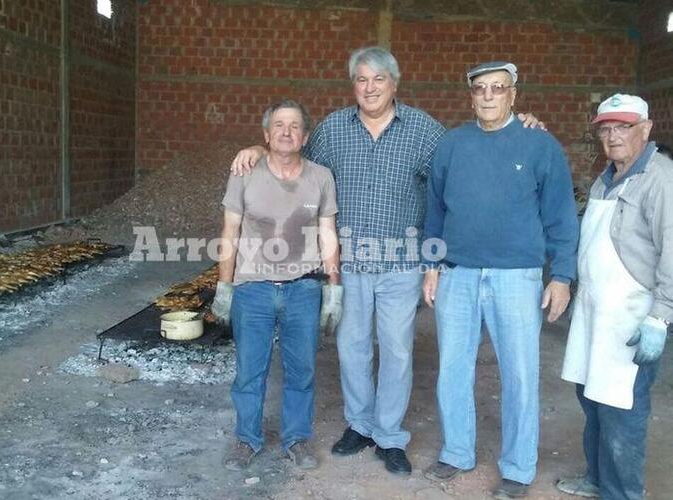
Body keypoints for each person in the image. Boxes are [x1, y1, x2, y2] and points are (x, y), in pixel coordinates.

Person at [231, 47, 543, 476]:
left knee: (397, 351)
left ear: (394, 84)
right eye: (362, 79)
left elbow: (461, 166)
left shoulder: (425, 131)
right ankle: (359, 425)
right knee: (352, 348)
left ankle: (389, 435)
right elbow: (294, 158)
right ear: (353, 85)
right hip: (350, 263)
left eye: (379, 79)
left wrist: (522, 127)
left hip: (401, 264)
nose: (370, 87)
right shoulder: (332, 130)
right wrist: (255, 145)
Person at [422, 61, 579, 499]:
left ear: (514, 94)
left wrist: (562, 276)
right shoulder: (452, 145)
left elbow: (562, 217)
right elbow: (434, 210)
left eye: (498, 88)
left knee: (520, 374)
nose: (488, 96)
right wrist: (431, 265)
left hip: (517, 277)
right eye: (480, 89)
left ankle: (518, 466)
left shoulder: (540, 146)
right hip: (457, 273)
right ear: (470, 95)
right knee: (452, 369)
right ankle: (456, 452)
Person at [211, 99, 342, 471]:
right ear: (267, 135)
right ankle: (246, 439)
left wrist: (334, 287)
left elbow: (327, 234)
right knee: (250, 370)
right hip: (253, 289)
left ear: (305, 136)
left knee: (302, 371)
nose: (287, 132)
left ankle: (297, 440)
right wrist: (225, 286)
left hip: (304, 289)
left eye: (295, 126)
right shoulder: (244, 174)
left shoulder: (321, 177)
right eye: (279, 126)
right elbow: (230, 231)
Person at [556, 94, 673, 500]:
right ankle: (596, 479)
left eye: (623, 127)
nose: (613, 136)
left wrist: (661, 317)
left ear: (645, 128)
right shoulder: (607, 177)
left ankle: (622, 494)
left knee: (623, 409)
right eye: (606, 128)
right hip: (593, 313)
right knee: (592, 400)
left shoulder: (661, 179)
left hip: (632, 318)